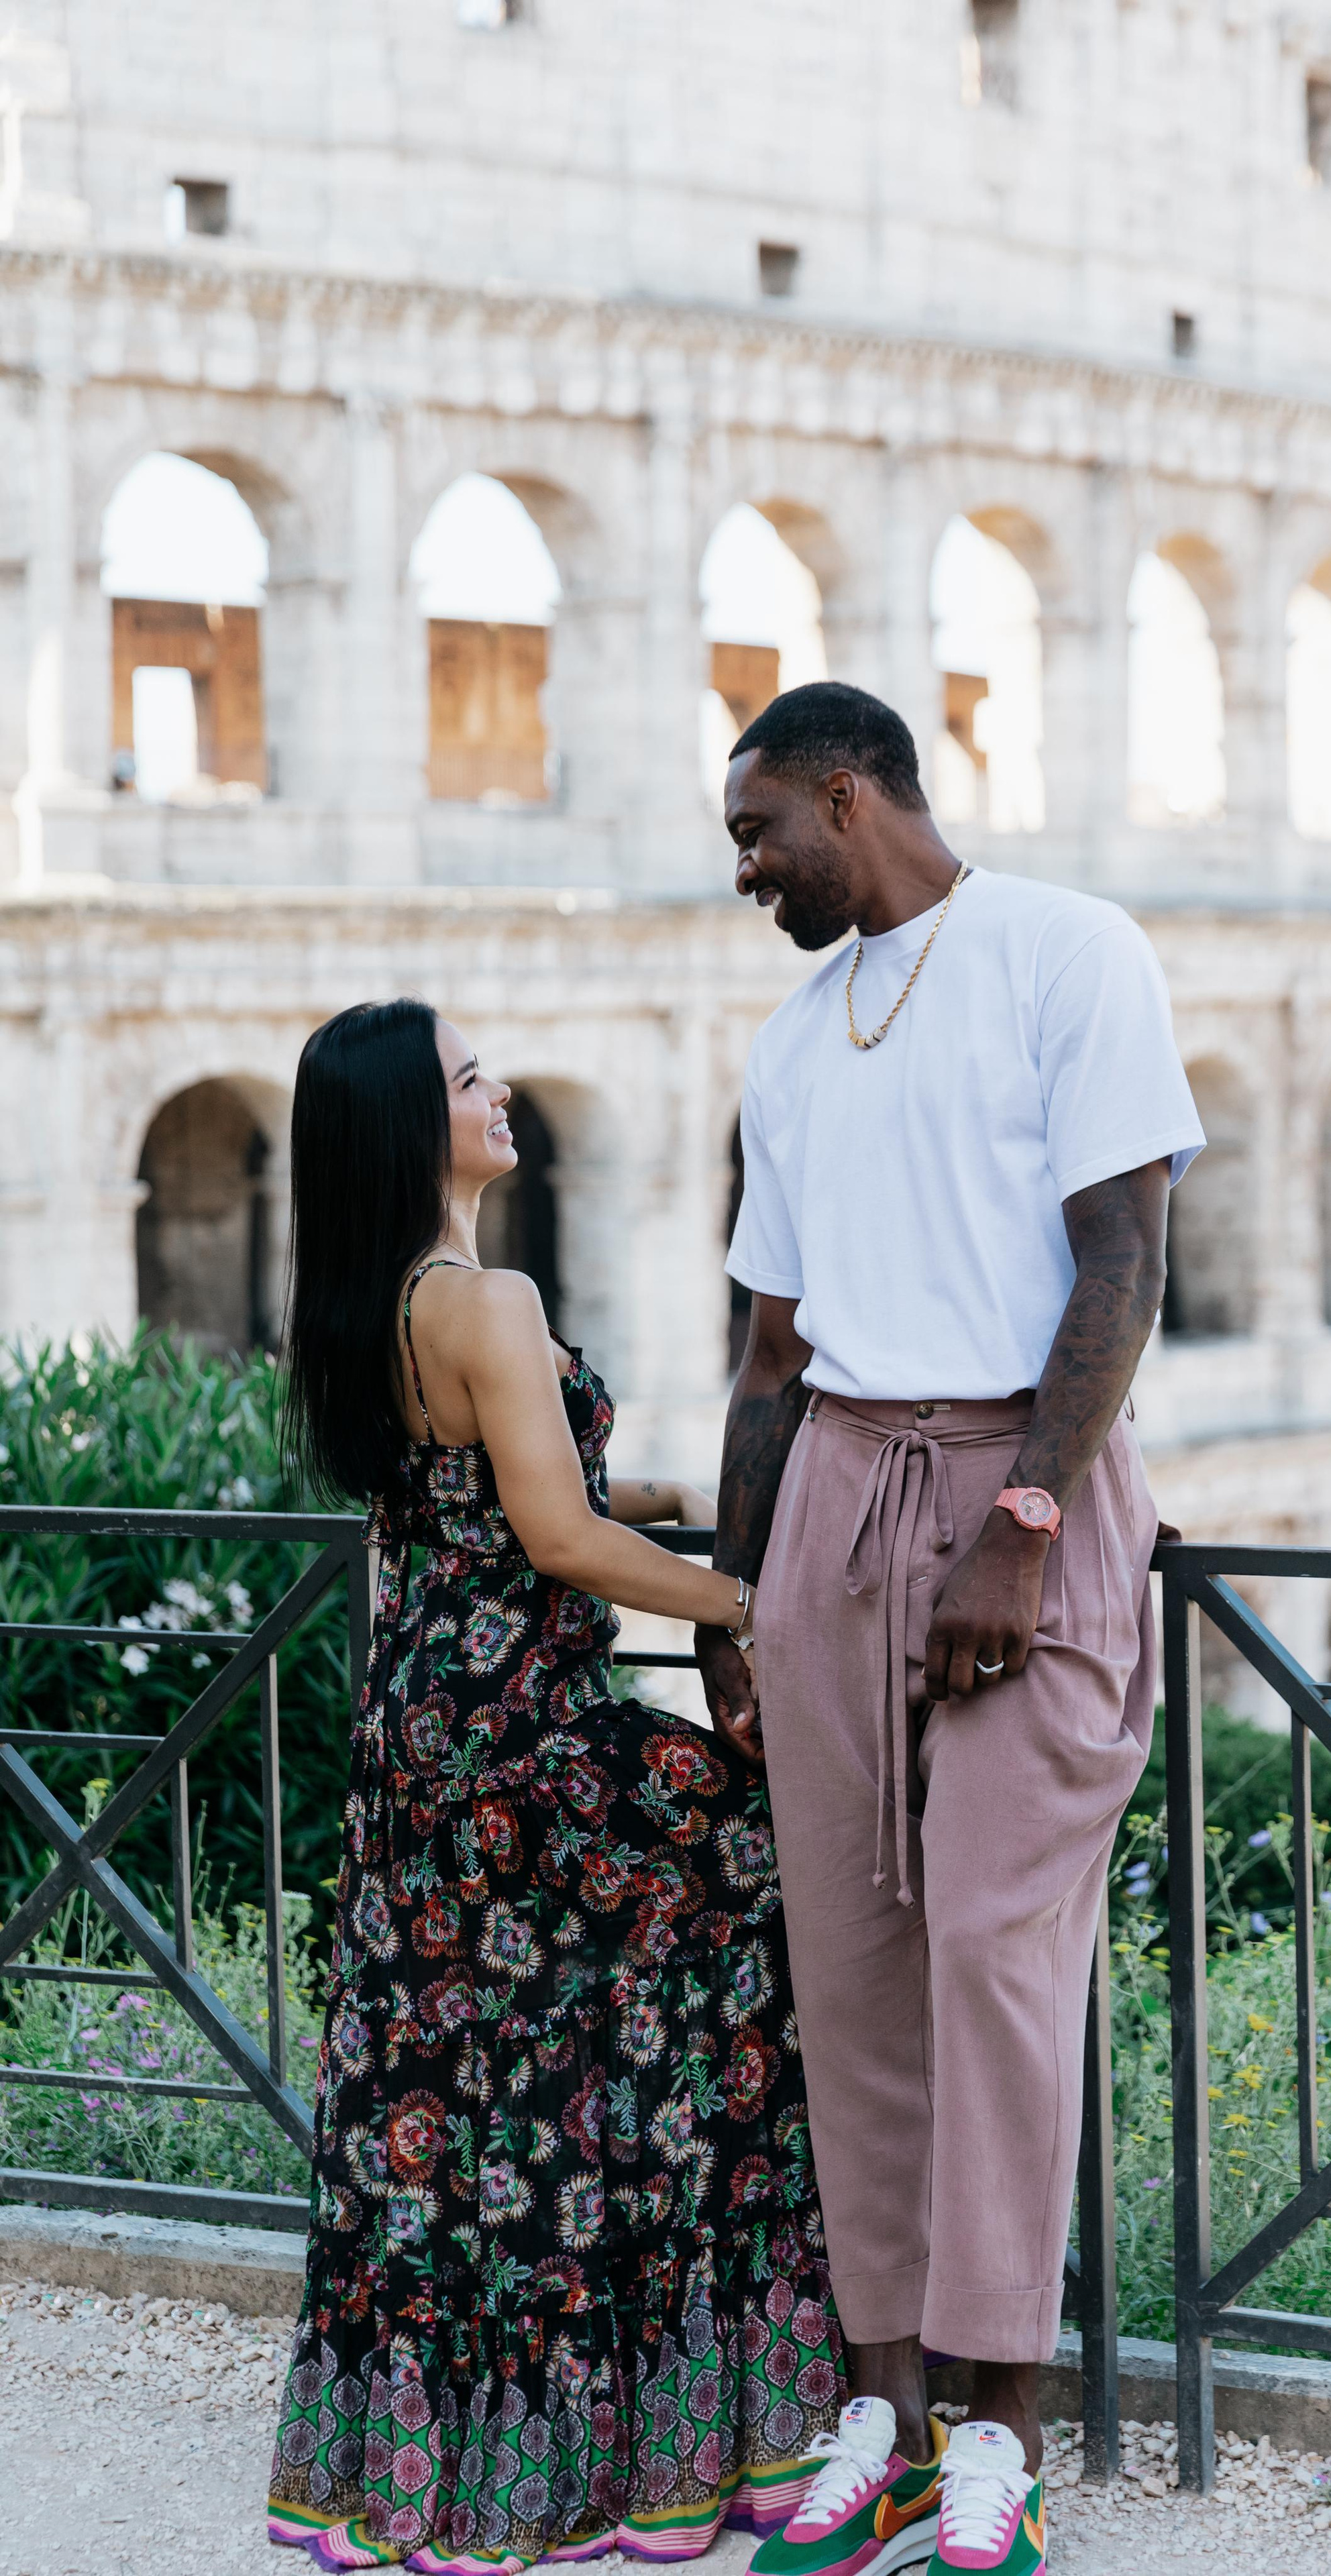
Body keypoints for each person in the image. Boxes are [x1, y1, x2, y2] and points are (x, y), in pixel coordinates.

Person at [694, 684, 1204, 2576]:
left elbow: (1125, 1256)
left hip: (1021, 1492)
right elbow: (768, 1351)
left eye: (759, 835)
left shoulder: (1071, 953)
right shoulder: (790, 1038)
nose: (746, 874)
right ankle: (882, 2417)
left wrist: (1029, 1516)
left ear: (847, 795)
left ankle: (1003, 2430)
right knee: (853, 1967)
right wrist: (741, 1602)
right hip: (834, 1494)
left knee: (997, 1955)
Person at [266, 998, 842, 2574]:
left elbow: (524, 1495)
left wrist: (684, 1502)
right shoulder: (487, 1297)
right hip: (526, 1726)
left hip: (422, 1732)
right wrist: (752, 1604)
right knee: (750, 1902)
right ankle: (705, 2396)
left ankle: (456, 2454)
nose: (499, 1088)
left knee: (461, 2087)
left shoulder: (371, 1305)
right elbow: (561, 1542)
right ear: (410, 1123)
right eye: (467, 1079)